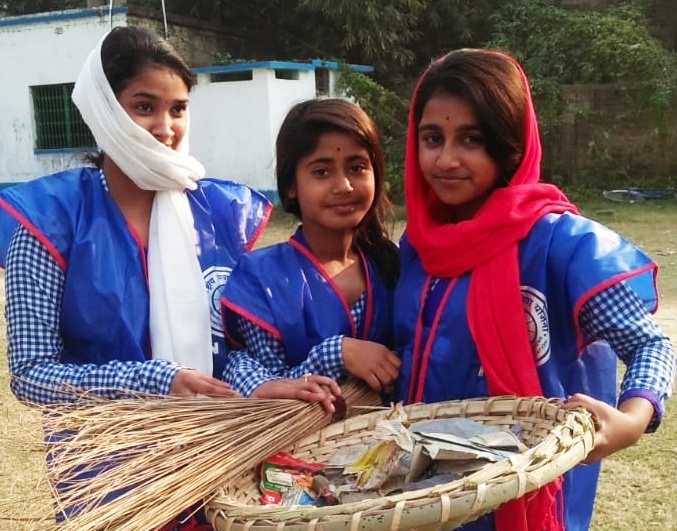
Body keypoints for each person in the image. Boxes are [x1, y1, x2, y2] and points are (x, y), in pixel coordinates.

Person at [0, 26, 271, 529]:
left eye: (178, 108)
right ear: (105, 108)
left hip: (214, 457)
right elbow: (32, 375)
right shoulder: (50, 221)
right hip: (106, 473)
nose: (165, 127)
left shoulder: (217, 213)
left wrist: (261, 386)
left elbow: (233, 347)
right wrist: (153, 380)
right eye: (144, 107)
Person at [394, 48, 675, 531]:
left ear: (510, 144)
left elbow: (651, 345)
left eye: (472, 139)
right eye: (432, 138)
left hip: (521, 493)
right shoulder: (419, 246)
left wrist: (631, 421)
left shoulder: (563, 245)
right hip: (421, 496)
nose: (446, 159)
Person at [221, 98, 401, 413]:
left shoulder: (393, 265)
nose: (344, 185)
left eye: (357, 168)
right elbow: (271, 387)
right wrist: (337, 353)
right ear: (292, 185)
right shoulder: (261, 278)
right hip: (298, 439)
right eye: (321, 172)